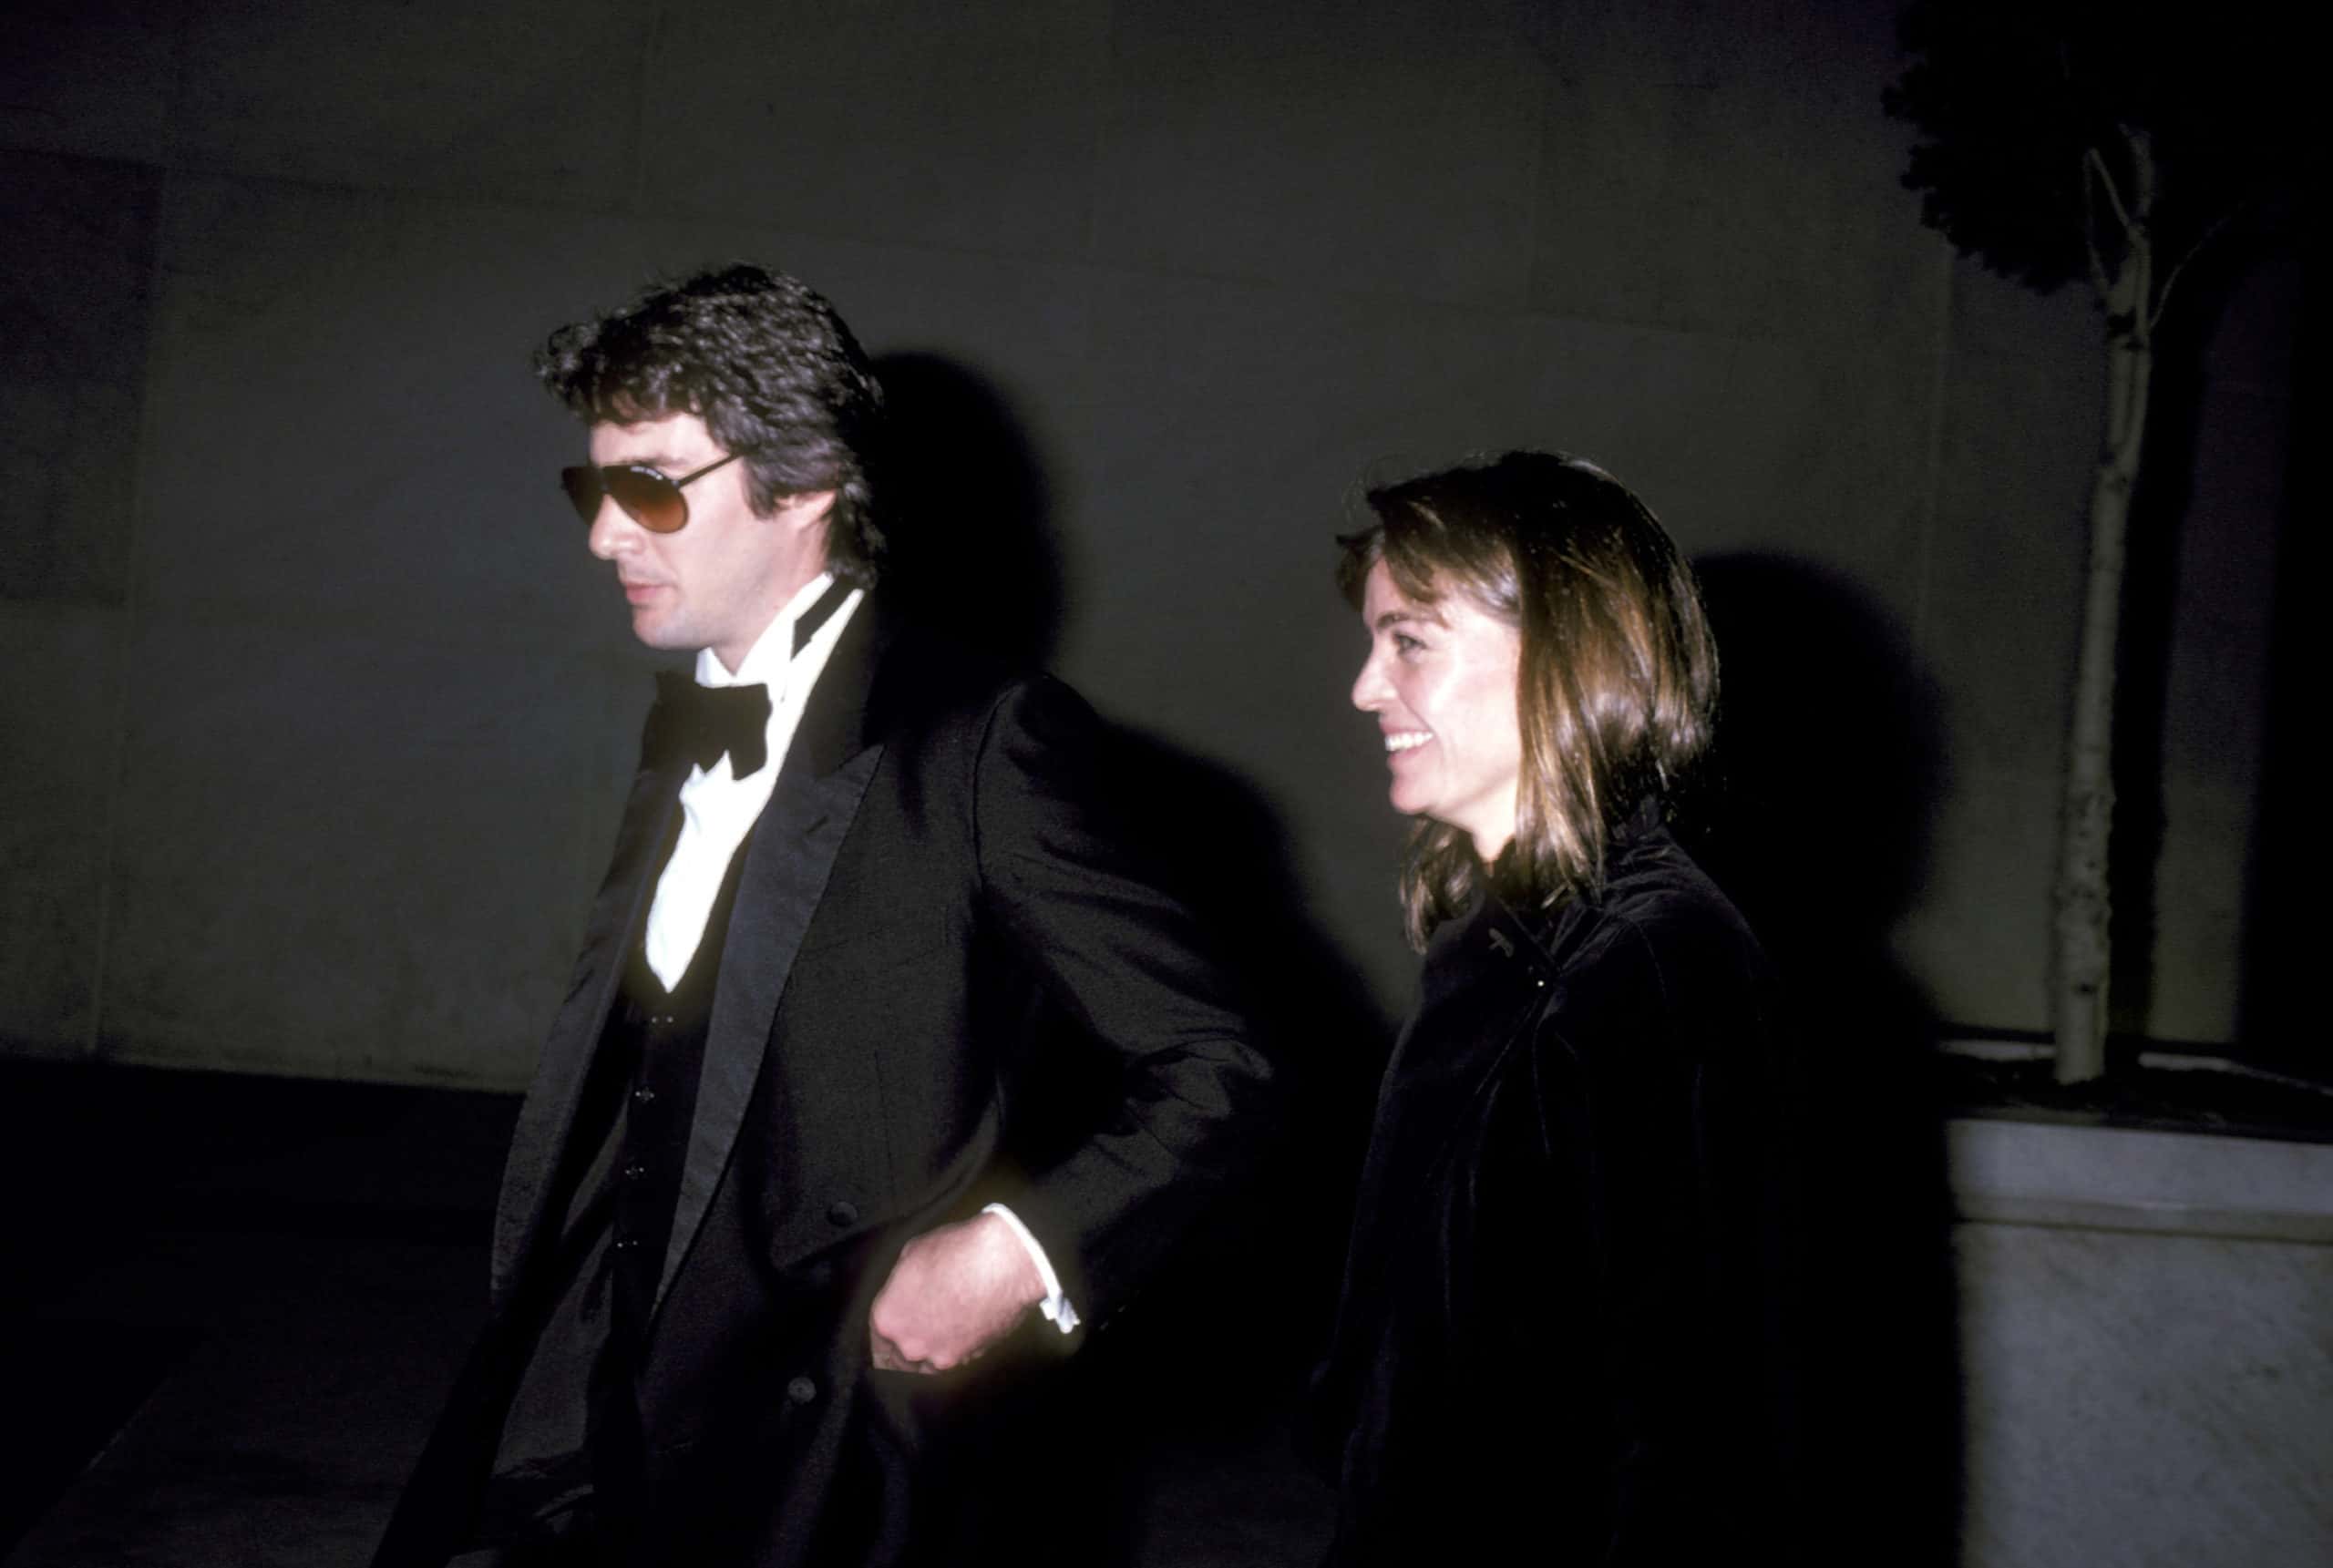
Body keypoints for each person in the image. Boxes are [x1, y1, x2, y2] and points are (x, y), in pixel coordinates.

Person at [374, 264, 1273, 1568]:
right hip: (598, 1419)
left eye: (649, 490)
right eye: (592, 486)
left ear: (801, 486)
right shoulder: (681, 716)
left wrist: (1021, 1251)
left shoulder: (981, 740)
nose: (603, 535)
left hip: (818, 1466)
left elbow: (1223, 1062)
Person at [1314, 451, 1789, 1564]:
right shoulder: (1503, 934)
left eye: (1411, 641)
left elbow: (1698, 1437)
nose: (1365, 687)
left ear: (1562, 656)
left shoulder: (1655, 967)